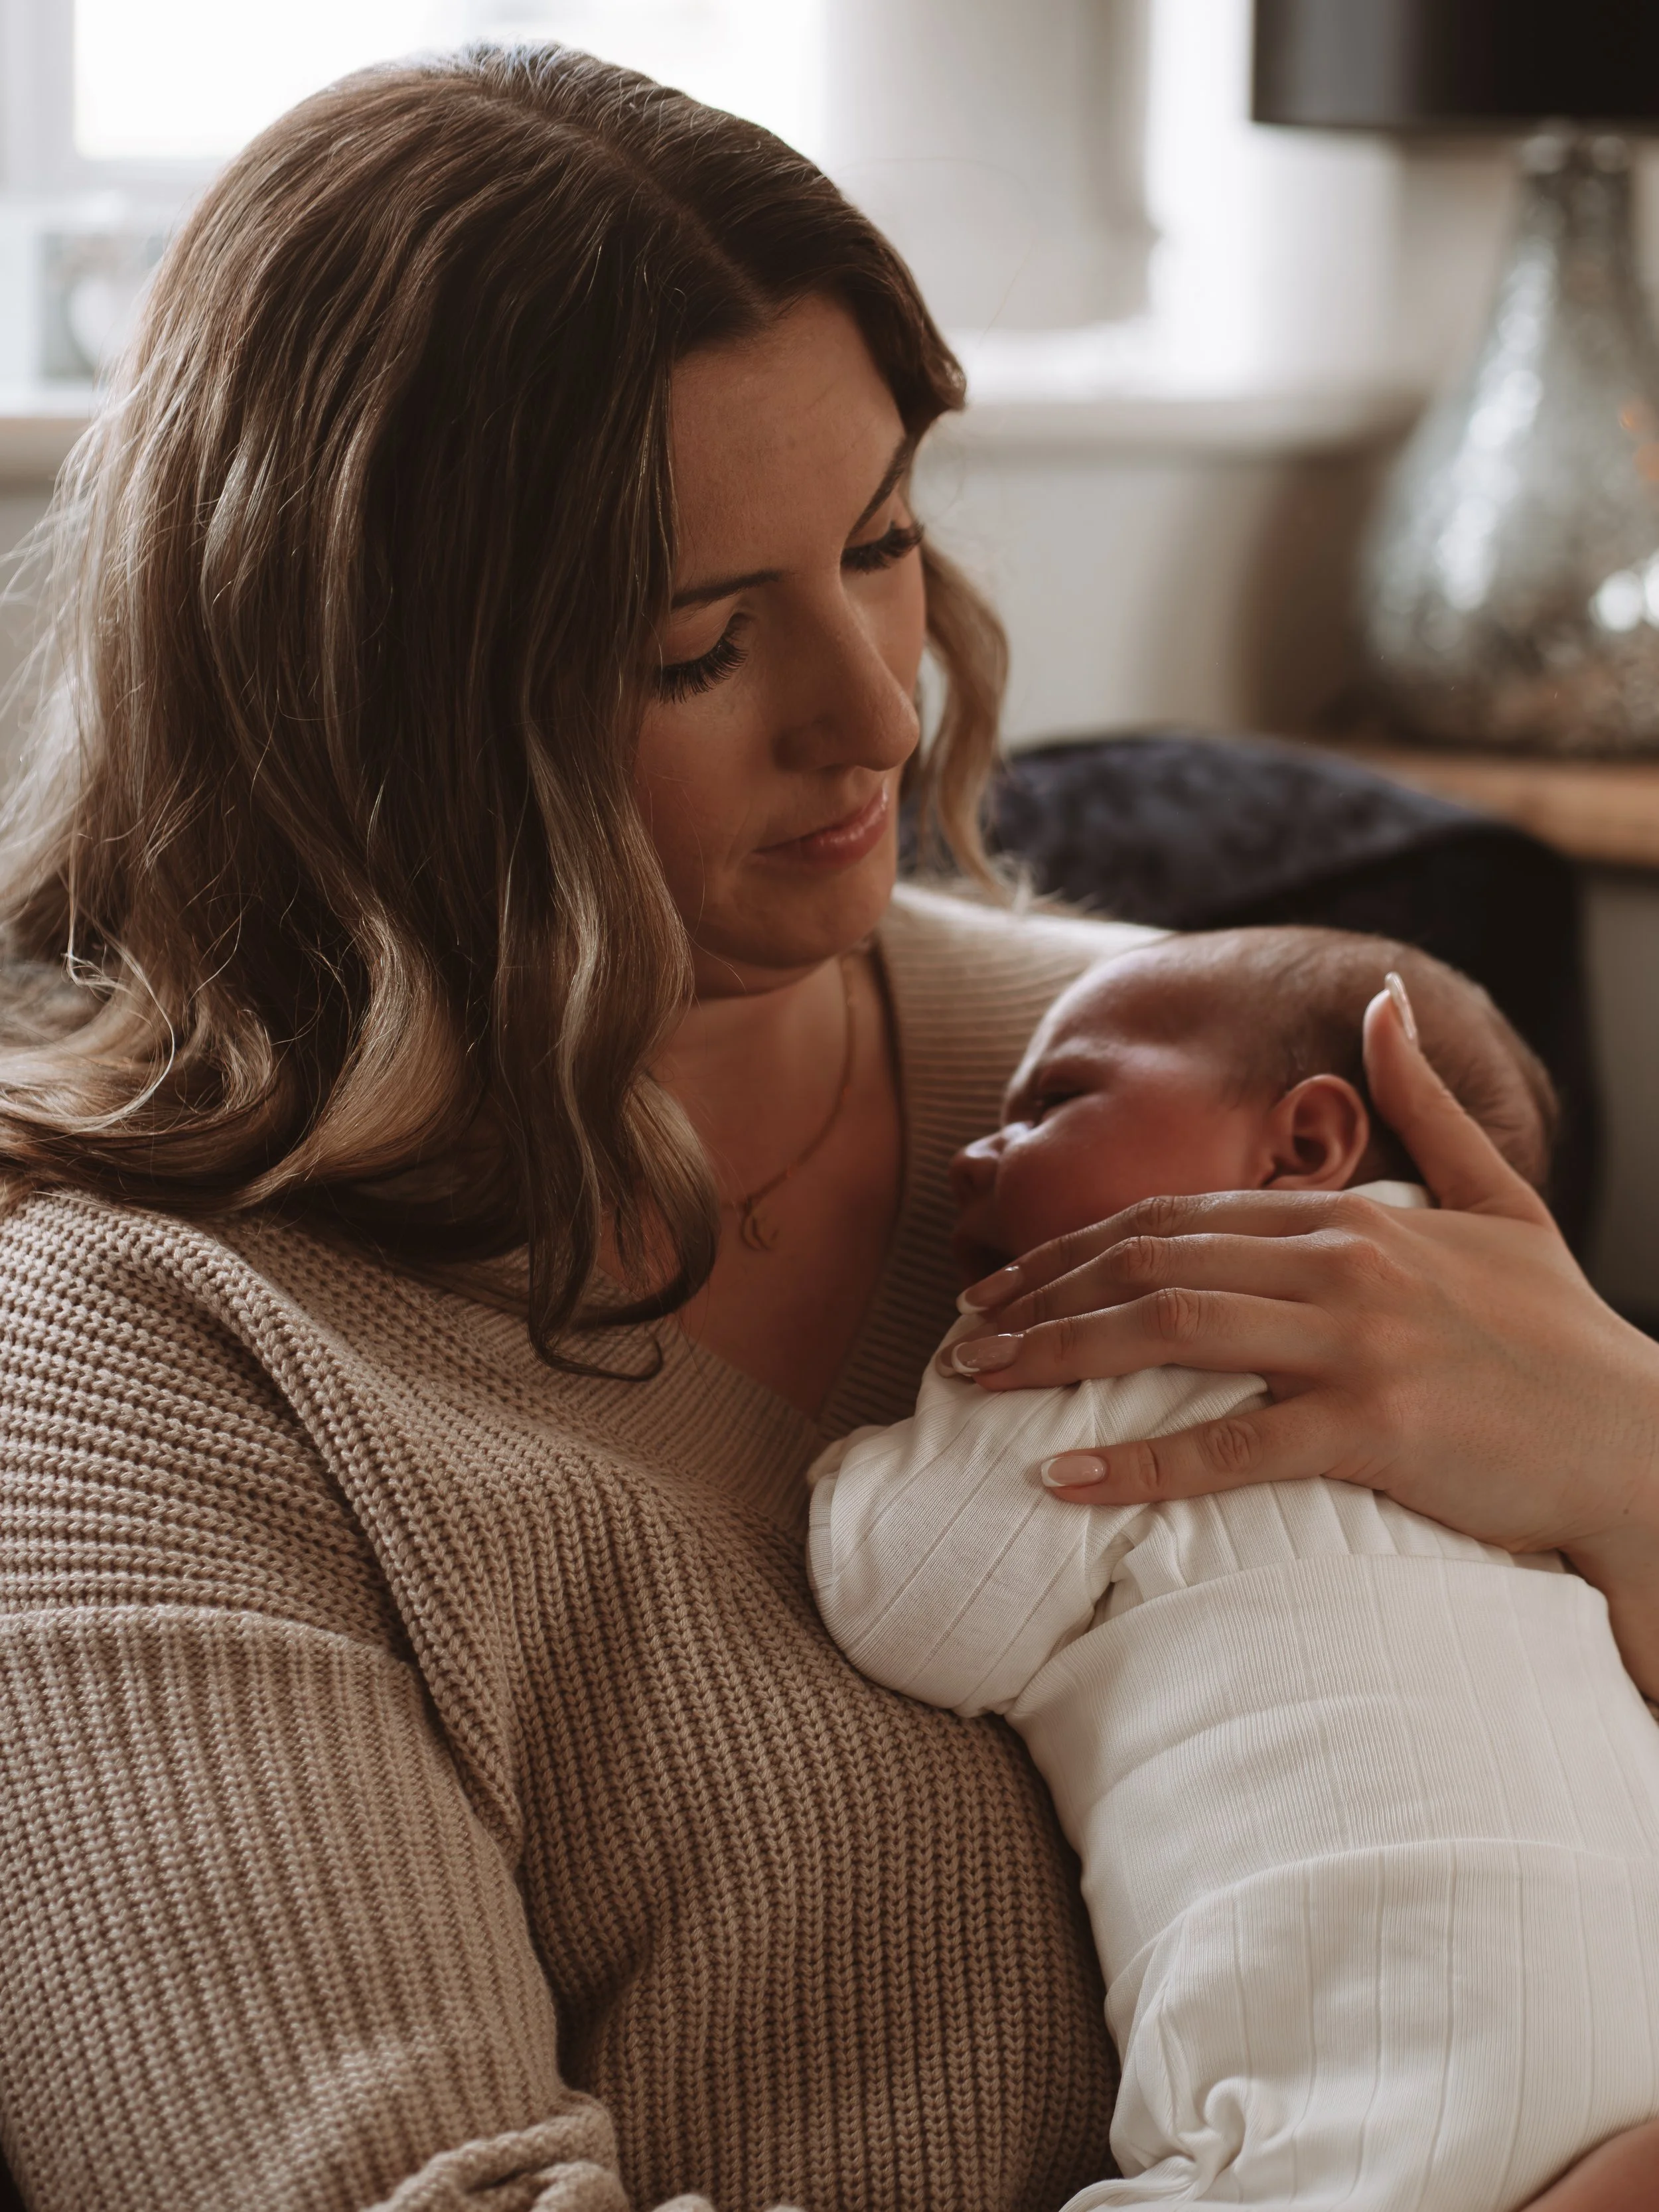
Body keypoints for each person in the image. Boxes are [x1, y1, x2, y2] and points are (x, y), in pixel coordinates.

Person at [0, 42, 1654, 2212]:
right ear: (378, 723)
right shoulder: (130, 1361)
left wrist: (1633, 1455)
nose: (881, 706)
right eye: (702, 646)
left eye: (882, 540)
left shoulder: (1190, 1076)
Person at [810, 926, 1659, 2209]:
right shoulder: (1554, 1394)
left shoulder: (1130, 1333)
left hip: (1353, 2087)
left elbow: (920, 1610)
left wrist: (887, 1442)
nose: (971, 1158)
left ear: (1306, 1147)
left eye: (1054, 1100)